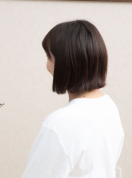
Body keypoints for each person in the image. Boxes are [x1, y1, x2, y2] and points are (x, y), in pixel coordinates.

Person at [21, 20, 124, 178]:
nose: (47, 66)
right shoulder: (108, 106)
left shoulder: (59, 123)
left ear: (66, 64)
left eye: (49, 58)